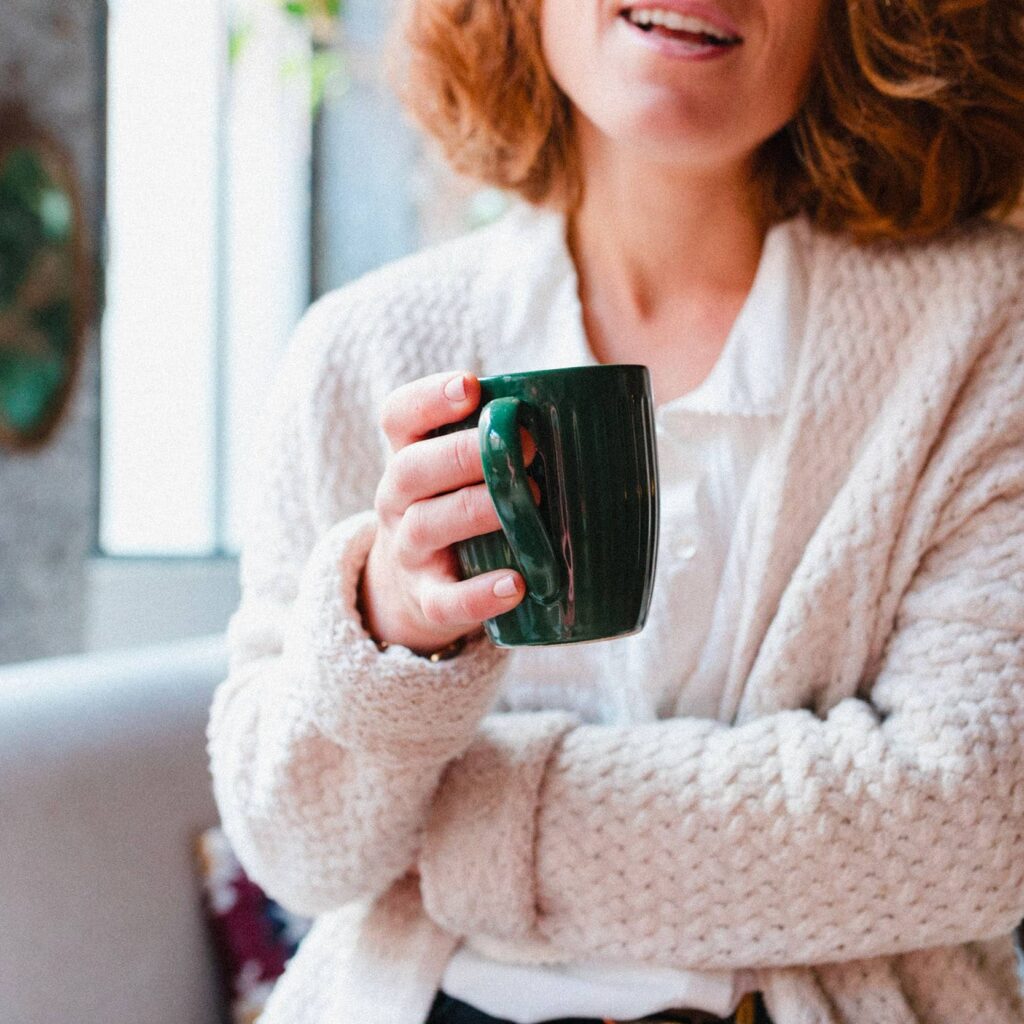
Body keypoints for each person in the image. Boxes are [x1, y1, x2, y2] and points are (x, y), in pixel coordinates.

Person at [205, 0, 1024, 1021]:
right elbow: (296, 848)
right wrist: (384, 628)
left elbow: (970, 819)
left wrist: (469, 830)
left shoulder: (985, 331)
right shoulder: (362, 350)